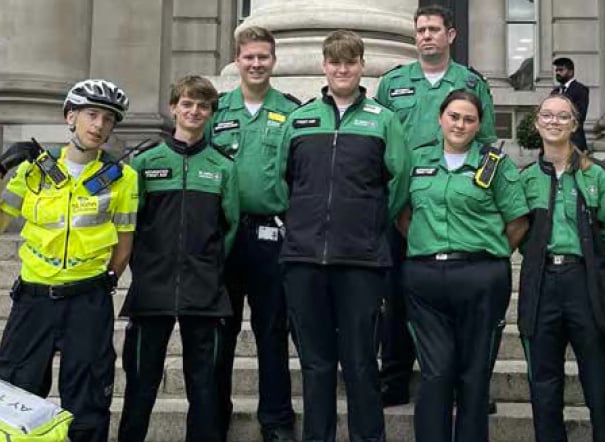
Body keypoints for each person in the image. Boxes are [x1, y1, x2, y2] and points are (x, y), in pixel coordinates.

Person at [279, 30, 411, 442]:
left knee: (360, 363)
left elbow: (400, 180)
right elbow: (283, 183)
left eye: (349, 62)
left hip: (361, 260)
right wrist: (303, 222)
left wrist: (370, 223)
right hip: (303, 259)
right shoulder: (299, 120)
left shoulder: (383, 120)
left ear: (361, 67)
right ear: (324, 65)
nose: (341, 69)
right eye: (334, 62)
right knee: (316, 365)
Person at [0, 79, 137, 442]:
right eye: (92, 115)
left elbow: (124, 245)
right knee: (13, 396)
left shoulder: (123, 179)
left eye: (109, 119)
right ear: (70, 116)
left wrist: (100, 282)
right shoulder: (33, 172)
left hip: (88, 301)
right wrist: (1, 170)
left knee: (89, 400)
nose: (100, 126)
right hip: (33, 300)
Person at [375, 3, 497, 408]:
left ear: (451, 35)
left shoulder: (471, 83)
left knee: (460, 302)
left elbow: (486, 146)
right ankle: (393, 379)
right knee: (395, 297)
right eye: (421, 29)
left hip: (455, 209)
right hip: (402, 205)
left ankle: (467, 383)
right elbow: (381, 146)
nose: (426, 35)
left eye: (433, 29)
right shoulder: (392, 84)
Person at [117, 75, 239, 442]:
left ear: (211, 113)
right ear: (174, 108)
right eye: (187, 104)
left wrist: (208, 264)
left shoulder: (223, 167)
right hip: (151, 290)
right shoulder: (145, 162)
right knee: (140, 385)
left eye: (203, 106)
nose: (194, 111)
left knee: (204, 390)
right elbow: (130, 223)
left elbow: (230, 227)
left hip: (204, 293)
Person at [401, 90, 528, 442]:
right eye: (454, 116)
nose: (460, 124)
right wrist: (427, 243)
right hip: (425, 280)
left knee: (473, 377)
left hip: (480, 278)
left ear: (478, 125)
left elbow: (517, 221)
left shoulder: (494, 164)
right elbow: (403, 212)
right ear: (441, 118)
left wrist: (486, 251)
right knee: (436, 372)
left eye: (469, 119)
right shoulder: (416, 160)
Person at [208, 26, 299, 442]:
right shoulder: (215, 110)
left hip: (270, 235)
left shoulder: (293, 112)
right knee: (219, 332)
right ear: (237, 60)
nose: (256, 64)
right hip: (224, 237)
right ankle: (214, 413)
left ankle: (276, 418)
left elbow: (299, 176)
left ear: (274, 61)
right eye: (249, 57)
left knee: (272, 330)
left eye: (263, 57)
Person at [518, 94, 605, 441]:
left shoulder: (599, 177)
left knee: (598, 383)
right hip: (542, 284)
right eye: (546, 115)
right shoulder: (525, 179)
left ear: (574, 125)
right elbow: (519, 230)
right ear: (537, 123)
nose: (553, 122)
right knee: (544, 385)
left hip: (585, 283)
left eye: (562, 116)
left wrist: (596, 269)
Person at [552, 57, 589, 152]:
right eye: (556, 70)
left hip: (574, 141)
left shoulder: (580, 89)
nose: (557, 73)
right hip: (556, 141)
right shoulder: (554, 92)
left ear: (571, 72)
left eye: (561, 70)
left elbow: (580, 115)